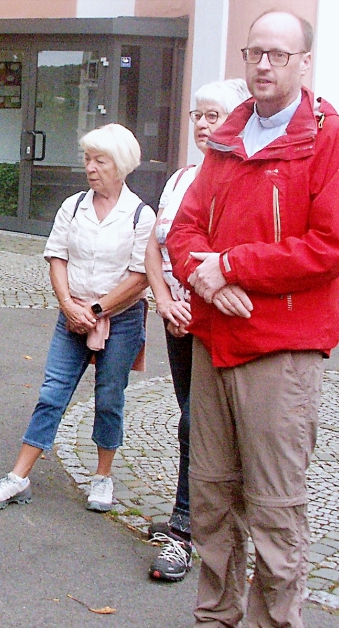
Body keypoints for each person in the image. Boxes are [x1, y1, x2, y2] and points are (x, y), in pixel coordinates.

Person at [166, 11, 339, 627]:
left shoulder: (333, 140)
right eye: (255, 54)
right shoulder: (229, 136)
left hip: (280, 350)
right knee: (212, 497)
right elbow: (183, 229)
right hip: (215, 340)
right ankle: (216, 614)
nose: (264, 66)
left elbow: (331, 248)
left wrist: (231, 266)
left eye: (279, 55)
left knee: (275, 507)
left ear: (305, 63)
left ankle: (274, 622)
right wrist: (204, 273)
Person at [0, 123, 152, 514]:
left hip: (120, 321)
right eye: (87, 159)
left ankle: (102, 477)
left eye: (100, 160)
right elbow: (57, 257)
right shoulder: (73, 206)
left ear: (120, 165)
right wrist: (69, 305)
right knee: (52, 393)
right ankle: (18, 476)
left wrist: (95, 310)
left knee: (109, 397)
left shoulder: (140, 215)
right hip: (71, 315)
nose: (90, 167)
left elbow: (140, 277)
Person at [144, 78, 249, 584]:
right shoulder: (182, 177)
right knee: (191, 418)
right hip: (177, 320)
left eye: (215, 116)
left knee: (205, 425)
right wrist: (164, 301)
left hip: (216, 323)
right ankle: (191, 517)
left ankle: (189, 529)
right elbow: (156, 244)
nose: (204, 125)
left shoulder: (241, 177)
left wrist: (194, 303)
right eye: (198, 116)